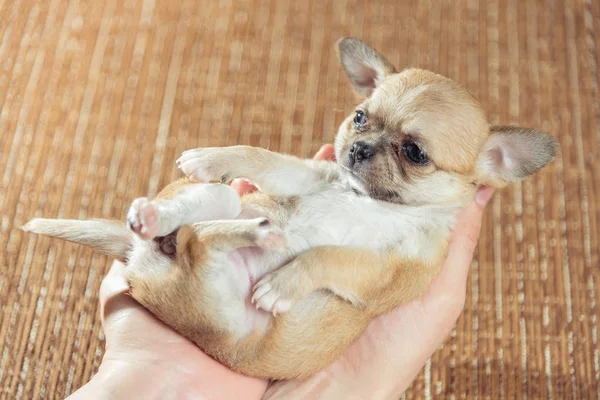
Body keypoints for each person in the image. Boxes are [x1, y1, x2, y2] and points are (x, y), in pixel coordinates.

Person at [68, 145, 494, 399]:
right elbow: (293, 176)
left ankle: (174, 223)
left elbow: (370, 278)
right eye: (362, 117)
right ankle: (172, 218)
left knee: (220, 210)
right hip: (244, 296)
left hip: (258, 318)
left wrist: (143, 370)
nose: (365, 149)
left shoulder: (420, 246)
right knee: (221, 203)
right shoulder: (343, 181)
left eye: (414, 153)